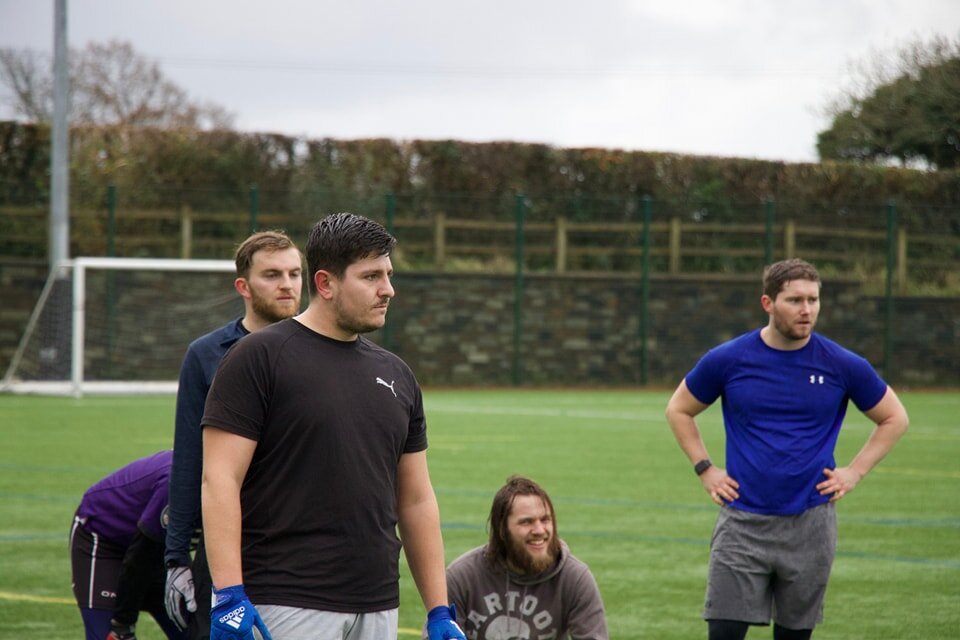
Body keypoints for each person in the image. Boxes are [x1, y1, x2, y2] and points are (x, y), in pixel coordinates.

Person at [200, 212, 466, 640]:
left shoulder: (398, 374)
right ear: (325, 284)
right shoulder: (258, 358)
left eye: (389, 274)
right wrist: (229, 595)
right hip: (285, 602)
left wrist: (439, 610)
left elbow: (416, 499)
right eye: (371, 276)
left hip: (379, 605)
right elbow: (219, 479)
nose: (388, 289)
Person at [664, 258, 909, 640]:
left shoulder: (842, 364)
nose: (807, 310)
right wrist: (706, 469)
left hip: (811, 522)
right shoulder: (729, 359)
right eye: (795, 300)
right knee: (724, 633)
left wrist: (854, 471)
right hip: (742, 522)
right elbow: (679, 409)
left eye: (813, 300)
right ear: (768, 303)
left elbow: (894, 418)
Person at [163, 230, 303, 639]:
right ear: (243, 286)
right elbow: (190, 458)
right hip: (226, 542)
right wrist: (176, 559)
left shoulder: (322, 349)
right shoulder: (206, 354)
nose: (287, 284)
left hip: (302, 545)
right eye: (273, 274)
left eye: (295, 273)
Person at [435, 475, 609, 640]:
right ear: (502, 530)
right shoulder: (462, 577)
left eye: (545, 520)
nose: (540, 530)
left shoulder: (574, 577)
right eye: (526, 522)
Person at [70, 450, 185, 640]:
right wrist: (123, 622)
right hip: (103, 539)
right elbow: (141, 554)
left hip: (158, 549)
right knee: (109, 636)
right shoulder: (177, 482)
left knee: (200, 632)